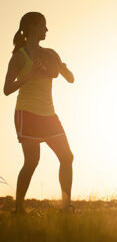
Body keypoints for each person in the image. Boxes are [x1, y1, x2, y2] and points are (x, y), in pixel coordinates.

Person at [3, 12, 75, 213]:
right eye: (43, 26)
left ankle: (65, 207)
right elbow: (7, 89)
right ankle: (19, 209)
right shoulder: (19, 57)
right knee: (32, 161)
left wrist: (63, 69)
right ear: (33, 27)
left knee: (67, 157)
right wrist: (29, 75)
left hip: (49, 115)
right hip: (27, 113)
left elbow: (70, 79)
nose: (46, 29)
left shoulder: (50, 53)